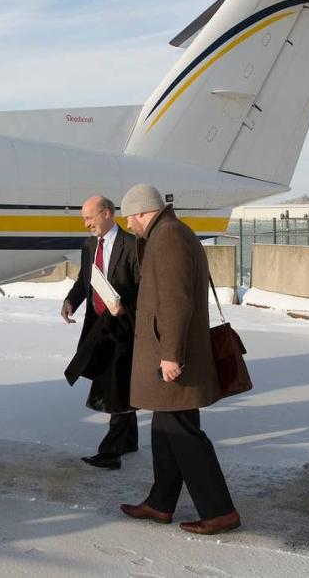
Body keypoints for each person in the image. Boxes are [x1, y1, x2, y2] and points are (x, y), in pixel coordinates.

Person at [117, 184, 241, 534]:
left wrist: (171, 355)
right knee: (165, 429)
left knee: (183, 434)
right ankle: (160, 503)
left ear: (143, 211)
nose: (129, 225)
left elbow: (175, 301)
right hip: (170, 352)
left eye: (130, 217)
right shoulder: (170, 232)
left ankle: (220, 511)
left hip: (172, 357)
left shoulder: (168, 236)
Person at [61, 195, 140, 470]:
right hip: (99, 324)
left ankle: (111, 452)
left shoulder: (131, 245)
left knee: (115, 385)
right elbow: (86, 280)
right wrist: (71, 300)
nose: (86, 224)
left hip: (125, 327)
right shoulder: (89, 244)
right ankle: (128, 440)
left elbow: (144, 287)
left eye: (89, 218)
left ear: (107, 214)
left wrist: (124, 304)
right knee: (113, 381)